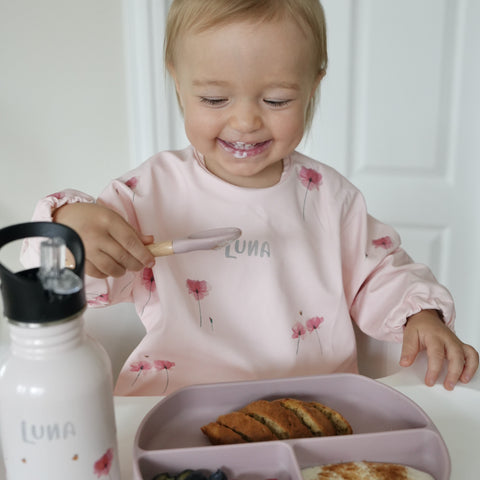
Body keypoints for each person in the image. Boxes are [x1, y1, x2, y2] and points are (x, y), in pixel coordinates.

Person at [21, 0, 478, 396]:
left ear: (312, 88)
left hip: (313, 406)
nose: (244, 122)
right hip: (174, 406)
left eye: (276, 100)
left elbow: (379, 272)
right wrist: (70, 235)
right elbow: (64, 281)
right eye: (215, 99)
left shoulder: (330, 199)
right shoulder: (149, 194)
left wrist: (422, 314)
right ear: (178, 82)